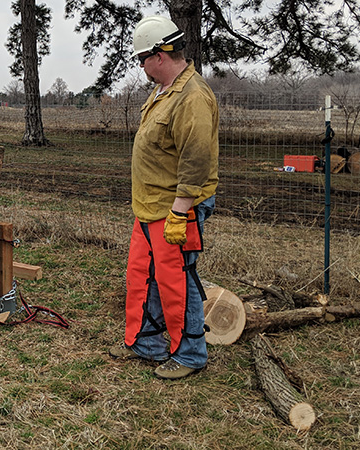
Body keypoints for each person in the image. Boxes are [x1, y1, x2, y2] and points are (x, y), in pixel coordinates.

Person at [108, 16, 219, 380]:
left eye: (142, 58)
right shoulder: (164, 90)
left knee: (177, 281)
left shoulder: (193, 97)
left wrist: (180, 211)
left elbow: (196, 159)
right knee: (145, 275)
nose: (141, 66)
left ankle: (189, 354)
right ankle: (150, 343)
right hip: (150, 206)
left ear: (160, 54)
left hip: (175, 207)